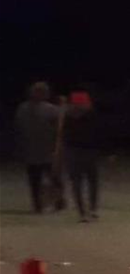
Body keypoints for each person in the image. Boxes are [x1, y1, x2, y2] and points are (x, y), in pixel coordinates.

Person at [14, 82, 62, 214]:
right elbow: (19, 127)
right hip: (31, 150)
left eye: (41, 92)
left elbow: (59, 129)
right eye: (36, 92)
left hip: (48, 150)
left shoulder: (51, 109)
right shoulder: (23, 108)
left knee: (54, 178)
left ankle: (58, 201)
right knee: (34, 180)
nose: (38, 94)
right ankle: (37, 205)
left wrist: (57, 147)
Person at [62, 91, 102, 222]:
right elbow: (98, 133)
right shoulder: (91, 115)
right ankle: (92, 209)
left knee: (77, 182)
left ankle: (82, 212)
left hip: (74, 151)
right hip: (88, 151)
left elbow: (64, 135)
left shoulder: (68, 116)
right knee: (91, 181)